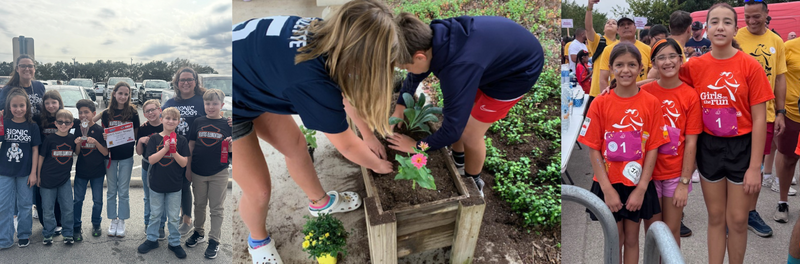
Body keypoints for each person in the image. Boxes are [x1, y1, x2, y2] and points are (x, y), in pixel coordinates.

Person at [231, 1, 397, 262]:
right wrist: (378, 166)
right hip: (224, 104)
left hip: (253, 76)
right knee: (258, 190)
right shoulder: (311, 81)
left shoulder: (327, 34)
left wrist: (368, 135)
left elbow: (345, 92)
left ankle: (320, 203)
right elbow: (346, 145)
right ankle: (258, 241)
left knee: (296, 145)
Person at [390, 14, 544, 195]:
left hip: (518, 72)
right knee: (456, 113)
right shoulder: (433, 37)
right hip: (491, 59)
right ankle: (459, 161)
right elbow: (417, 73)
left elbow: (452, 131)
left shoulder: (457, 69)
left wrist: (417, 146)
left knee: (470, 133)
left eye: (406, 67)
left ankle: (473, 182)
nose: (408, 71)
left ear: (420, 56)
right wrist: (400, 105)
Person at [678, 4, 773, 263]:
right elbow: (665, 80)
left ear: (735, 28)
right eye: (715, 22)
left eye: (727, 22)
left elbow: (760, 117)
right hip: (709, 147)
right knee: (717, 218)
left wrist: (756, 166)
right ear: (706, 27)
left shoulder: (750, 66)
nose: (720, 27)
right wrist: (623, 87)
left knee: (739, 220)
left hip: (742, 147)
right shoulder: (694, 66)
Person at [578, 42, 667, 264]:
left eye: (631, 65)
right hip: (609, 183)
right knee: (614, 238)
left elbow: (654, 147)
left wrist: (642, 188)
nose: (625, 70)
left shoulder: (651, 103)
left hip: (637, 185)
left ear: (641, 68)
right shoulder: (600, 103)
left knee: (632, 238)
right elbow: (594, 147)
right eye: (619, 65)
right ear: (611, 68)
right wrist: (607, 189)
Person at [640, 38, 702, 247]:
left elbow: (692, 142)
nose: (667, 62)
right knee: (653, 232)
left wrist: (685, 183)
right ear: (654, 64)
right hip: (648, 176)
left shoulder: (690, 95)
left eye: (672, 56)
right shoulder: (645, 93)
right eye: (661, 58)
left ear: (680, 58)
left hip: (675, 175)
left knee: (671, 231)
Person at [736, 0, 790, 231]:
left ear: (767, 14)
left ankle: (749, 213)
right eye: (747, 16)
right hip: (736, 114)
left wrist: (780, 111)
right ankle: (733, 213)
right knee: (735, 165)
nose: (751, 21)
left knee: (756, 166)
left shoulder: (776, 41)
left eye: (756, 16)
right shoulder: (736, 36)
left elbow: (779, 78)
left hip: (766, 114)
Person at [137, 107, 190, 259]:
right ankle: (152, 239)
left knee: (173, 216)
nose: (170, 121)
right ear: (161, 120)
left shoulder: (182, 140)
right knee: (155, 214)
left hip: (174, 185)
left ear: (178, 122)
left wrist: (173, 151)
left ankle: (174, 242)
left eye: (174, 119)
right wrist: (165, 148)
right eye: (167, 118)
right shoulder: (154, 138)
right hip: (156, 184)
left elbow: (183, 163)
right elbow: (151, 159)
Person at [185, 89, 231, 259]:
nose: (211, 107)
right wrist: (188, 168)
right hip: (198, 170)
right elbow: (190, 146)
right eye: (208, 103)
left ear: (222, 105)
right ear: (203, 104)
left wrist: (233, 143)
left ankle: (214, 240)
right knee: (199, 205)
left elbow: (235, 148)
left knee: (217, 208)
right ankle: (198, 232)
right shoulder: (198, 121)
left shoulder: (228, 124)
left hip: (219, 171)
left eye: (215, 104)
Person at [162, 67, 206, 235]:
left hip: (199, 150)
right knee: (181, 184)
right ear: (177, 83)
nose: (186, 83)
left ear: (196, 82)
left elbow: (215, 114)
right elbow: (160, 121)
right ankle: (185, 216)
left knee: (190, 186)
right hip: (176, 150)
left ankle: (188, 219)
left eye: (189, 79)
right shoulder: (171, 103)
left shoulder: (202, 100)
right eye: (182, 80)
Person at [0, 88, 39, 248]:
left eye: (21, 105)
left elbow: (36, 150)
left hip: (25, 172)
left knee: (25, 204)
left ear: (27, 107)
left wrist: (33, 173)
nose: (18, 109)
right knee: (4, 205)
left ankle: (24, 234)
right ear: (9, 107)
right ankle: (5, 239)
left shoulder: (32, 126)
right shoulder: (4, 123)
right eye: (14, 106)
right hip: (5, 172)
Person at [101, 82, 140, 238]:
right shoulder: (106, 113)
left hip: (126, 156)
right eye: (120, 93)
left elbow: (136, 134)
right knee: (111, 190)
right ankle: (113, 219)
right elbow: (103, 131)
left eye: (126, 94)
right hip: (110, 156)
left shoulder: (133, 112)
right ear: (114, 94)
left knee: (123, 191)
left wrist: (125, 135)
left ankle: (122, 220)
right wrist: (104, 136)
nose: (123, 96)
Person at [36, 109, 77, 245]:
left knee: (68, 208)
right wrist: (38, 175)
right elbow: (41, 157)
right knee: (47, 208)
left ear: (72, 124)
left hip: (64, 180)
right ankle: (48, 233)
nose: (63, 125)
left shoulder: (72, 139)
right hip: (47, 179)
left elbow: (77, 152)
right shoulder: (49, 139)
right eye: (60, 122)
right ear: (55, 123)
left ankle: (68, 233)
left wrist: (80, 142)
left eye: (67, 122)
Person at [34, 90, 70, 236]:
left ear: (59, 103)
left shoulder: (64, 118)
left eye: (53, 102)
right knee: (43, 196)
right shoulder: (38, 119)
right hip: (42, 160)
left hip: (59, 163)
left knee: (59, 198)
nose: (50, 106)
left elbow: (84, 121)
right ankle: (46, 224)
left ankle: (59, 222)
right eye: (47, 103)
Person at [73, 99, 108, 240]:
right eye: (80, 112)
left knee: (97, 200)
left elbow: (105, 152)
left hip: (97, 172)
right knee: (78, 200)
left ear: (93, 113)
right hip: (81, 170)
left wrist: (96, 142)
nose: (83, 115)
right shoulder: (78, 128)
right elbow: (77, 153)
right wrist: (78, 143)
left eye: (86, 112)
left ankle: (96, 223)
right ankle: (76, 226)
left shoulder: (100, 131)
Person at [775, 33, 800, 226]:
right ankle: (783, 202)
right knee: (789, 159)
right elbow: (778, 76)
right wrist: (779, 111)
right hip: (793, 113)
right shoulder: (789, 46)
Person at [595, 16, 652, 97]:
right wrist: (607, 99)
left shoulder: (647, 49)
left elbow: (652, 78)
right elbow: (603, 79)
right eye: (622, 25)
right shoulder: (608, 50)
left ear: (635, 28)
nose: (626, 26)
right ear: (617, 30)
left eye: (629, 24)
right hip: (617, 97)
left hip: (641, 97)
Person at [137, 99, 167, 240]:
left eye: (153, 109)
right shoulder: (143, 129)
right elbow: (138, 152)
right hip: (147, 166)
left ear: (160, 110)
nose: (151, 113)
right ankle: (148, 223)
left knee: (163, 197)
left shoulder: (167, 125)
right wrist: (140, 141)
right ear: (144, 114)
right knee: (148, 196)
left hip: (164, 166)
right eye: (147, 111)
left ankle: (161, 225)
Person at [584, 0, 618, 107]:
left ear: (618, 30)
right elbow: (588, 27)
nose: (610, 24)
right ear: (603, 29)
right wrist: (590, 6)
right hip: (596, 92)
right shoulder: (598, 41)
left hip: (616, 91)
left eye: (614, 23)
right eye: (608, 22)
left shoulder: (621, 45)